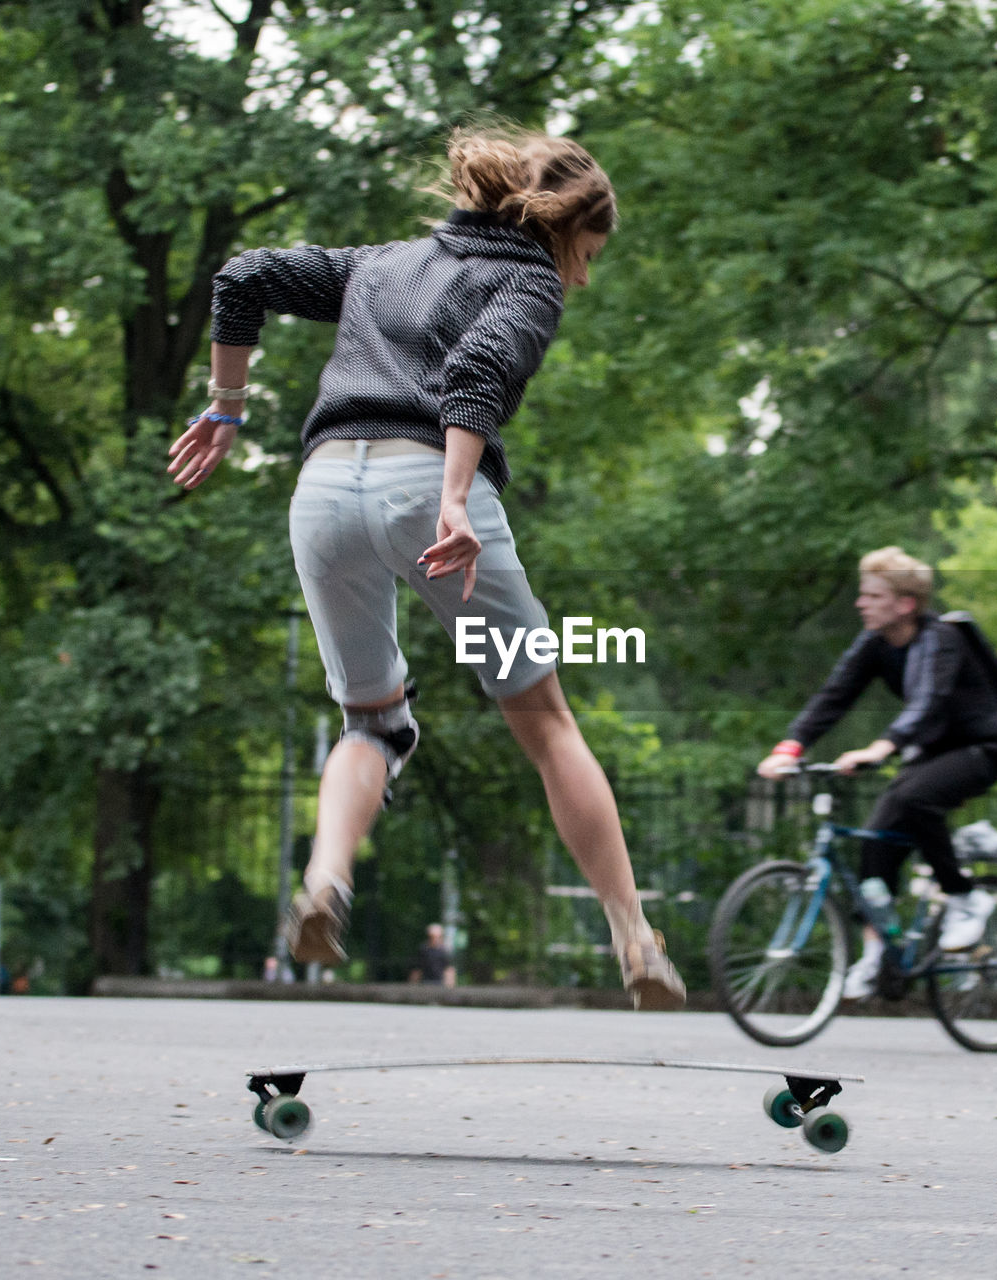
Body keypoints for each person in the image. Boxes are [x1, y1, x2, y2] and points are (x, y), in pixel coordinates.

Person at [168, 126, 684, 1012]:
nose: (582, 276)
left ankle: (326, 881)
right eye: (585, 254)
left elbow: (242, 277)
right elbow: (478, 372)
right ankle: (634, 935)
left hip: (324, 496)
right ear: (556, 229)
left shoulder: (384, 263)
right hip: (426, 493)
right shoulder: (524, 278)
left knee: (371, 722)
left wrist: (227, 406)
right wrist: (452, 496)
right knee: (547, 723)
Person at [756, 547, 997, 999]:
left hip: (977, 750)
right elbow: (834, 696)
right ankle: (877, 953)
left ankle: (966, 898)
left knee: (914, 799)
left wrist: (880, 747)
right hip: (925, 752)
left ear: (905, 604)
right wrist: (789, 748)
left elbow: (929, 701)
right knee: (874, 845)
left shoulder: (942, 639)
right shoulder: (875, 644)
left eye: (872, 595)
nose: (860, 603)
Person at [409, 923, 457, 988]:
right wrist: (412, 986)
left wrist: (450, 986)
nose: (435, 939)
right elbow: (417, 969)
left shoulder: (445, 951)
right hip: (425, 983)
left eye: (438, 937)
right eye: (432, 937)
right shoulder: (423, 950)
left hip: (440, 983)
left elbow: (449, 970)